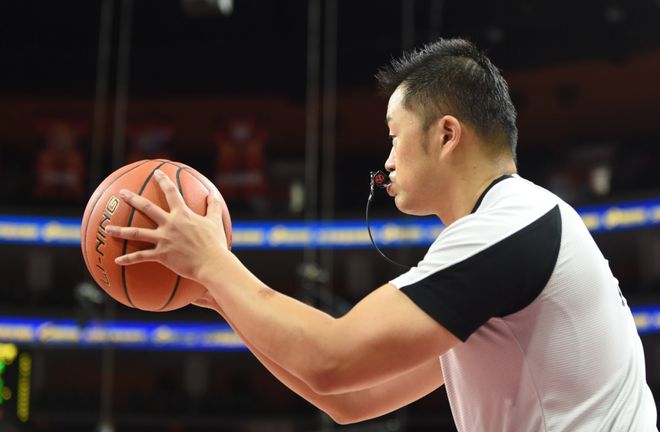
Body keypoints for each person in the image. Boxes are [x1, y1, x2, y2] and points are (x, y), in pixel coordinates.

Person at [105, 38, 658, 431]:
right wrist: (221, 296)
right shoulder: (513, 231)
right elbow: (350, 399)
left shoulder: (510, 227)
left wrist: (214, 263)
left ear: (446, 135)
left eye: (394, 135)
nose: (387, 160)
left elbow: (332, 358)